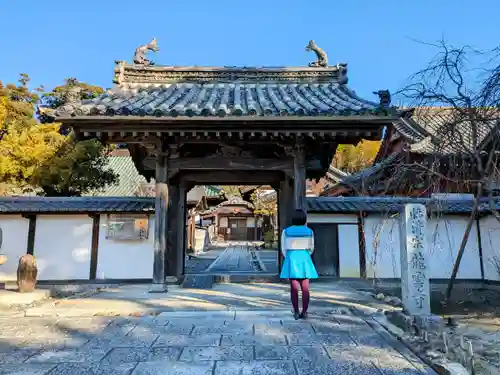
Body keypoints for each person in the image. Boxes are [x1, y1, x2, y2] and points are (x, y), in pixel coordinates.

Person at [279, 209, 319, 319]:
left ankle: (296, 312)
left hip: (292, 259)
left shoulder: (286, 231)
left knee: (294, 288)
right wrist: (305, 254)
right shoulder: (309, 231)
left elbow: (283, 248)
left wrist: (290, 256)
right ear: (304, 219)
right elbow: (311, 248)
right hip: (305, 258)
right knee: (305, 288)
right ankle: (305, 312)